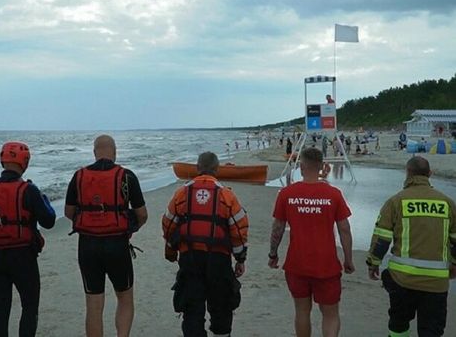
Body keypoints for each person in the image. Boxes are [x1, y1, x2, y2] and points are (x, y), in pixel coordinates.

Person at [0, 141, 56, 337]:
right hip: (23, 256)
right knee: (29, 307)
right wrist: (43, 199)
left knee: (0, 309)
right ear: (24, 162)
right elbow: (49, 220)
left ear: (3, 161)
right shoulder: (28, 190)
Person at [65, 135, 148, 337]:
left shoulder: (79, 176)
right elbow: (142, 215)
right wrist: (130, 227)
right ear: (115, 152)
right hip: (117, 245)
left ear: (94, 152)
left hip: (88, 246)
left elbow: (69, 212)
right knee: (125, 298)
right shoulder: (127, 177)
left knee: (94, 305)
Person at [268, 147, 354, 337]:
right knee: (330, 314)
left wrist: (273, 254)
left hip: (297, 264)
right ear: (323, 166)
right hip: (327, 265)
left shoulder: (287, 194)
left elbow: (277, 228)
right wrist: (348, 259)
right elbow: (344, 229)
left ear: (301, 166)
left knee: (302, 311)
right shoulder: (334, 194)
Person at [366, 156, 456, 337]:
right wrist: (454, 264)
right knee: (431, 330)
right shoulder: (447, 203)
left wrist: (373, 263)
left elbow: (382, 238)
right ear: (430, 174)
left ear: (407, 173)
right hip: (436, 283)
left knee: (399, 324)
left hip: (402, 279)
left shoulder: (396, 202)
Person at [162, 151, 249, 337]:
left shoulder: (181, 194)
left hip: (190, 259)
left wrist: (170, 251)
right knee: (221, 307)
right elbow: (239, 230)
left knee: (192, 310)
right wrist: (240, 258)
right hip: (219, 260)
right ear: (217, 169)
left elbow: (168, 224)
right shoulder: (227, 196)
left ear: (197, 168)